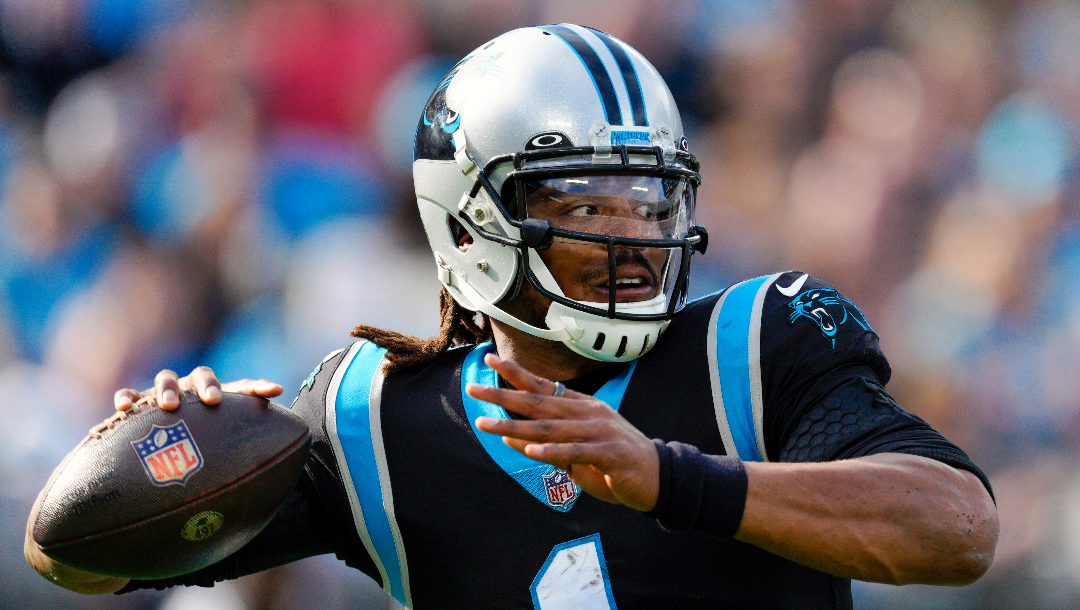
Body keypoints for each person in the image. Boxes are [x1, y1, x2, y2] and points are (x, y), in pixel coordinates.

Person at [26, 24, 997, 608]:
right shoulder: (372, 419)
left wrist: (673, 480)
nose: (633, 240)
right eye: (587, 207)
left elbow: (959, 526)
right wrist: (166, 441)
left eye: (649, 204)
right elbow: (76, 557)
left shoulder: (758, 342)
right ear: (473, 220)